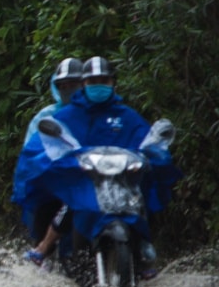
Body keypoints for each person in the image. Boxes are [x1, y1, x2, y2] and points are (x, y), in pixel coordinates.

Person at [13, 56, 177, 275]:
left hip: (123, 183)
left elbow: (145, 141)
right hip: (84, 181)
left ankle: (145, 249)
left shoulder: (126, 116)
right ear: (85, 84)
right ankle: (44, 248)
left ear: (112, 83)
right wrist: (66, 162)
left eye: (104, 80)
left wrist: (150, 156)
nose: (98, 85)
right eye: (92, 81)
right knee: (71, 201)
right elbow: (43, 146)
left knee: (143, 198)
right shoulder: (64, 116)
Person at [17, 59, 89, 263]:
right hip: (60, 182)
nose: (68, 90)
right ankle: (44, 251)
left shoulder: (98, 113)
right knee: (47, 204)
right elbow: (31, 154)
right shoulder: (46, 117)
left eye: (73, 85)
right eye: (62, 86)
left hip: (98, 177)